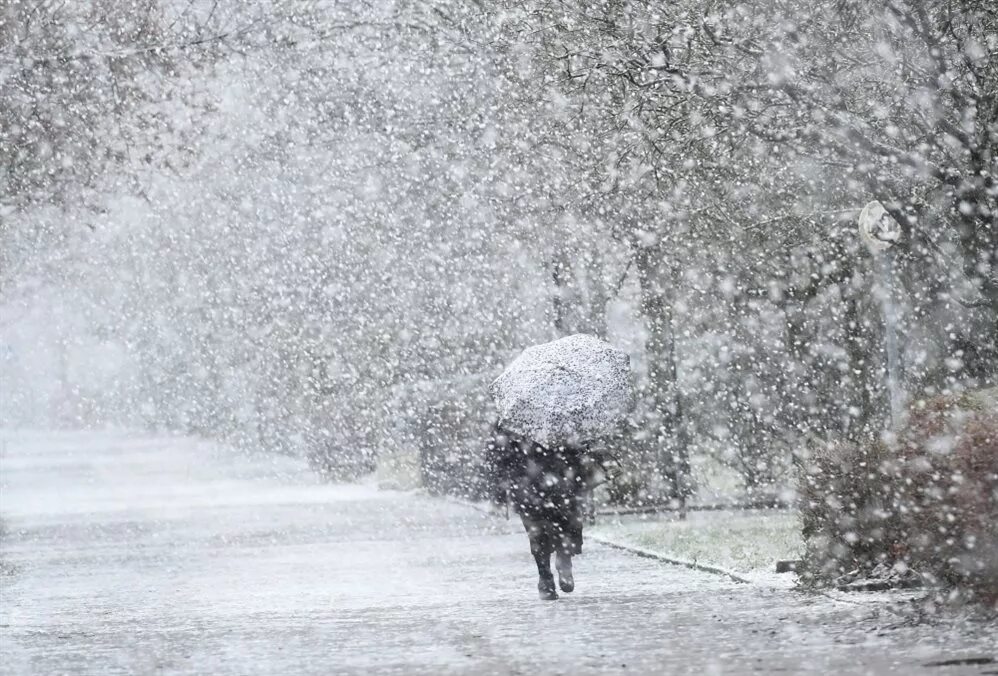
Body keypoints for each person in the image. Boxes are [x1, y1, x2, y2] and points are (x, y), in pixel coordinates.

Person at [483, 423, 602, 600]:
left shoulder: (514, 418)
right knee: (544, 530)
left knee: (556, 528)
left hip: (551, 483)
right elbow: (499, 454)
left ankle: (556, 567)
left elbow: (498, 455)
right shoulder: (515, 420)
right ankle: (548, 573)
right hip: (536, 485)